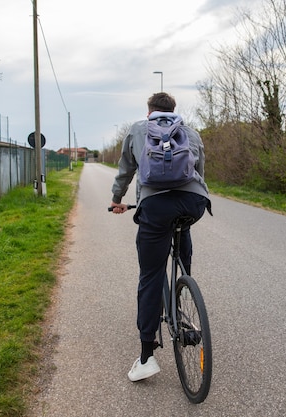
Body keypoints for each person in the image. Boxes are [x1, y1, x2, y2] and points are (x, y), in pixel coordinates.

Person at [110, 92, 211, 382]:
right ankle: (183, 289)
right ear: (173, 111)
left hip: (155, 206)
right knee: (182, 228)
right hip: (193, 202)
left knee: (151, 274)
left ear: (150, 112)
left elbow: (126, 171)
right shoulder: (190, 132)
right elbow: (200, 172)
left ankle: (146, 357)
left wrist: (118, 199)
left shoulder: (139, 129)